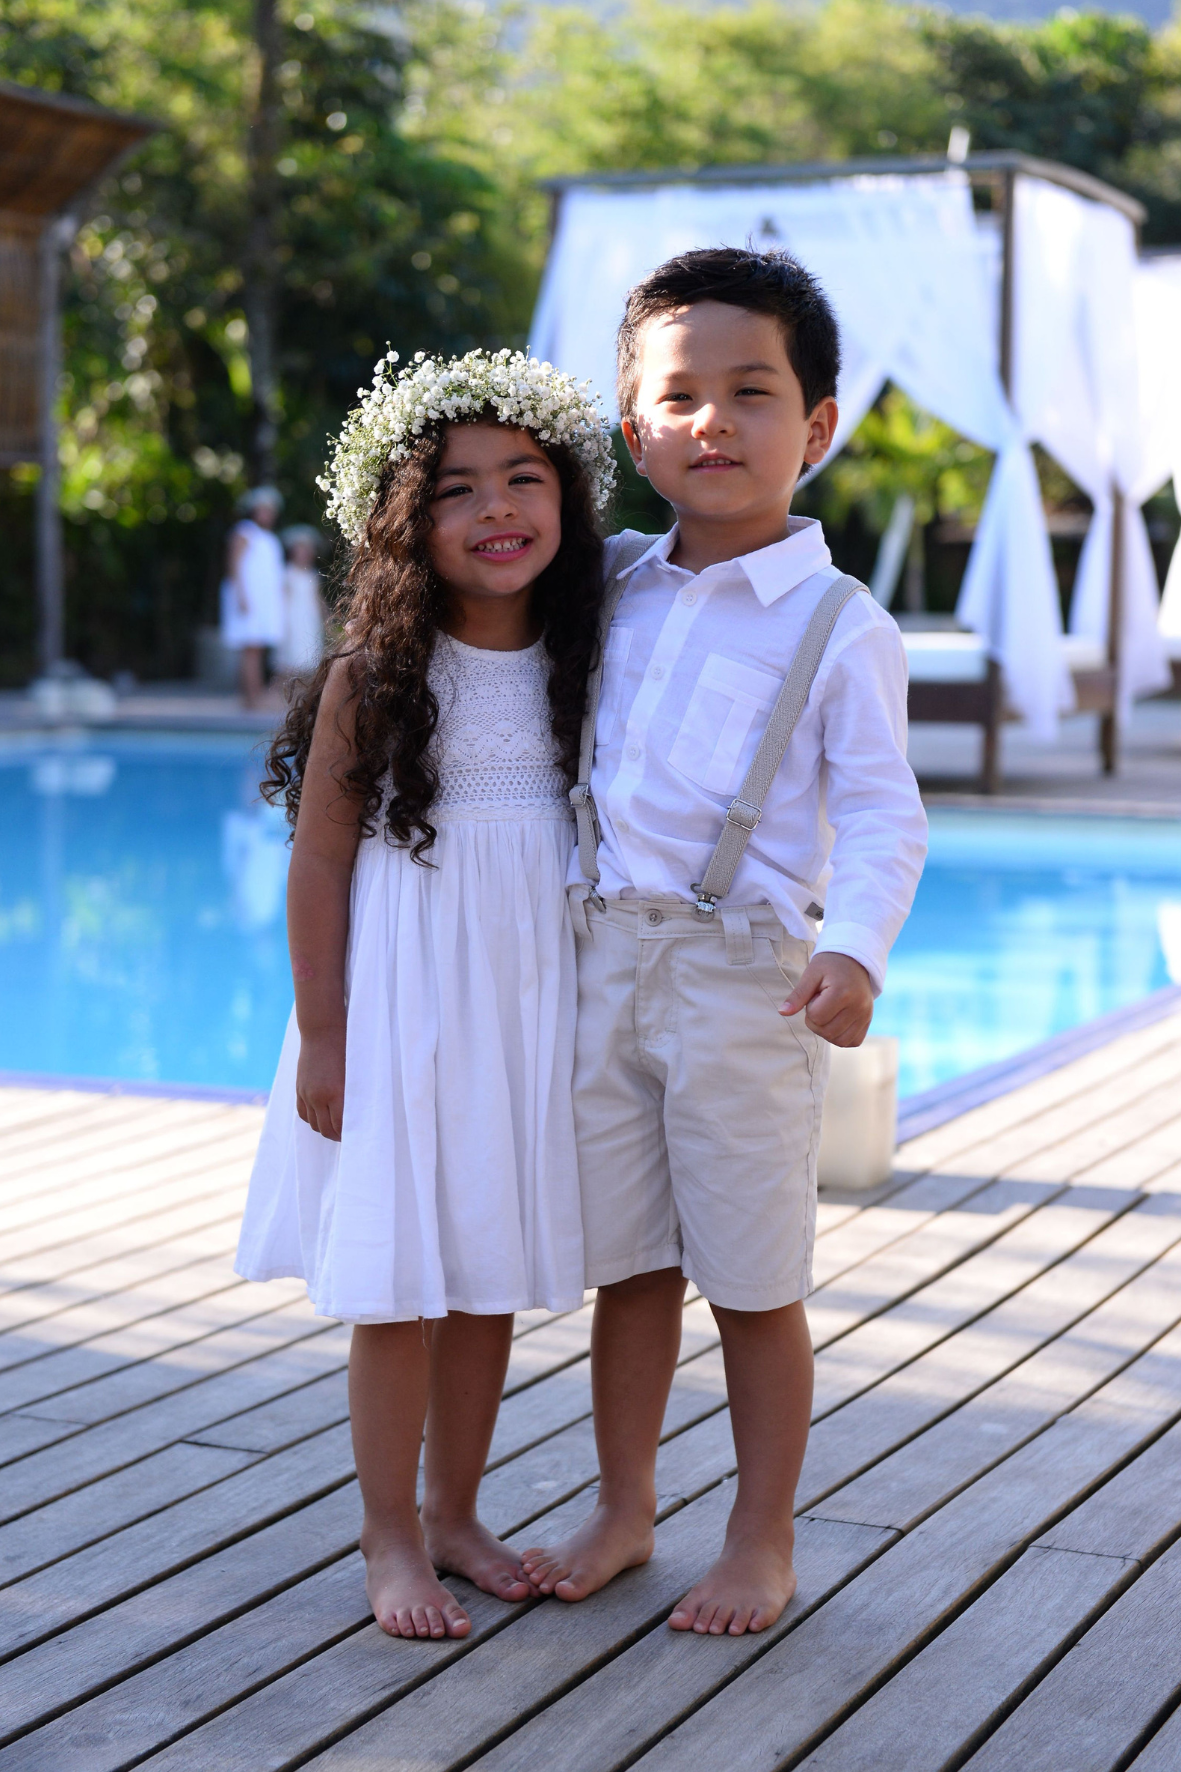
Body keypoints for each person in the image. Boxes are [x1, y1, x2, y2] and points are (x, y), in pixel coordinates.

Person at [521, 249, 928, 1635]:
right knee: (626, 1266)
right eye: (677, 397)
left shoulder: (839, 625)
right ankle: (624, 1507)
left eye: (750, 393)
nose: (713, 423)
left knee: (753, 1278)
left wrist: (857, 949)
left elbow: (883, 814)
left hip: (744, 983)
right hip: (601, 964)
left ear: (816, 427)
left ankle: (762, 1537)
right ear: (632, 431)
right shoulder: (613, 588)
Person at [234, 348, 617, 1642]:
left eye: (524, 479)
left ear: (565, 499)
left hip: (522, 1012)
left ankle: (458, 1510)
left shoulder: (584, 662)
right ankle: (389, 1534)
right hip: (401, 1010)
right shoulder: (375, 678)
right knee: (402, 1277)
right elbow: (320, 861)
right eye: (457, 489)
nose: (497, 509)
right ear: (405, 518)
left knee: (484, 1269)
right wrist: (328, 1038)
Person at [221, 487, 286, 708]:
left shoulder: (268, 538)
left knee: (257, 650)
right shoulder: (244, 532)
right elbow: (234, 566)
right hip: (247, 600)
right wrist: (241, 596)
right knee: (250, 650)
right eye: (262, 510)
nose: (266, 514)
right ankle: (252, 699)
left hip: (263, 603)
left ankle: (253, 699)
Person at [276, 525, 328, 679]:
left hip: (310, 620)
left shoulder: (313, 574)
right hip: (292, 620)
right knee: (290, 655)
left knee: (309, 655)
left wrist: (327, 620)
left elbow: (318, 599)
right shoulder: (286, 573)